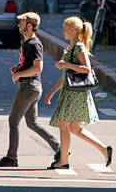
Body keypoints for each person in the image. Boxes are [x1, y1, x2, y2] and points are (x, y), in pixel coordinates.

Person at [0, 12, 61, 167]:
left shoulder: (34, 44)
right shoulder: (28, 43)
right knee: (32, 123)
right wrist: (18, 68)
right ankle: (60, 149)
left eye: (21, 23)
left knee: (13, 121)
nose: (18, 25)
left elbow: (38, 68)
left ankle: (11, 158)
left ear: (29, 26)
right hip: (32, 87)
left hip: (29, 87)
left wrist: (19, 74)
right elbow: (30, 64)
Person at [44, 16, 112, 170]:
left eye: (65, 29)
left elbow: (87, 69)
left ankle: (63, 161)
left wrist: (66, 64)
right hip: (70, 91)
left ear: (73, 30)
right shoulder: (71, 47)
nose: (62, 32)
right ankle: (104, 149)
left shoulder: (79, 47)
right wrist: (52, 92)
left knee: (63, 123)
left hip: (75, 93)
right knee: (74, 128)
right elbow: (67, 75)